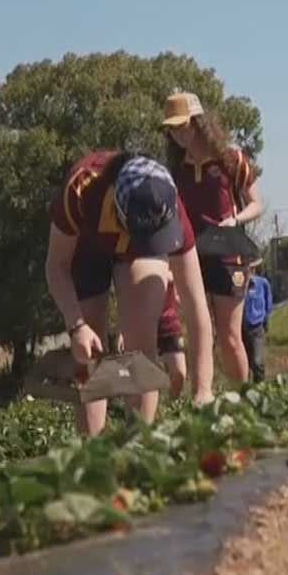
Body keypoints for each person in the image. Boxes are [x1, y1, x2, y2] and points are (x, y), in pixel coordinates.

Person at [45, 151, 215, 436]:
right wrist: (76, 326)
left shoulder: (169, 202)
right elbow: (55, 266)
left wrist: (203, 390)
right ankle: (93, 451)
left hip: (137, 256)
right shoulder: (80, 189)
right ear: (117, 209)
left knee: (140, 342)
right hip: (87, 249)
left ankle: (139, 445)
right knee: (90, 351)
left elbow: (197, 306)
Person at [163, 93, 264, 386]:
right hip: (190, 256)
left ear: (199, 124)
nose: (178, 135)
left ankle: (244, 400)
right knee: (198, 332)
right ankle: (203, 401)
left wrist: (236, 220)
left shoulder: (231, 159)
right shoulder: (175, 170)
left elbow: (256, 203)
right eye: (172, 129)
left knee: (230, 336)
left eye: (183, 126)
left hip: (228, 254)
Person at [241, 264, 273, 384]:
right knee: (245, 362)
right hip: (241, 329)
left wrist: (266, 320)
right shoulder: (238, 285)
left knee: (257, 361)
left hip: (256, 328)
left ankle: (260, 386)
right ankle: (246, 390)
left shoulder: (262, 283)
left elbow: (268, 303)